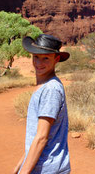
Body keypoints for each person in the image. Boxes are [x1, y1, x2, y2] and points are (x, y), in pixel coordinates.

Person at [13, 34, 71, 174]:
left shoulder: (50, 89)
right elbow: (35, 137)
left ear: (56, 59)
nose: (39, 63)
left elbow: (41, 137)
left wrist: (24, 172)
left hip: (47, 168)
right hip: (40, 167)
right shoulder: (44, 86)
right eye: (36, 57)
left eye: (46, 58)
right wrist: (19, 166)